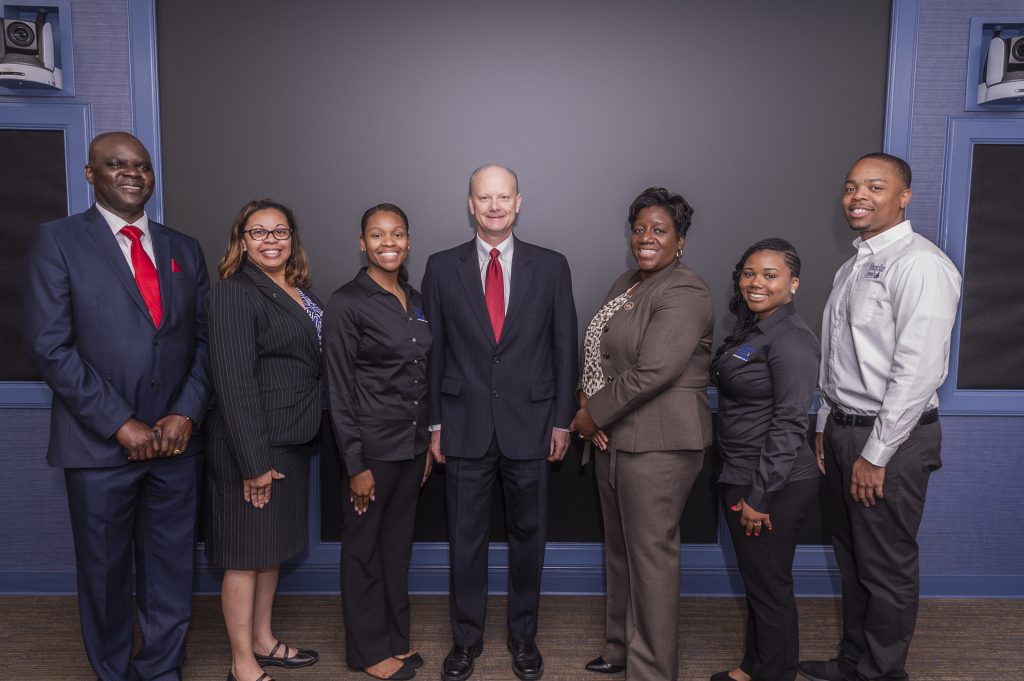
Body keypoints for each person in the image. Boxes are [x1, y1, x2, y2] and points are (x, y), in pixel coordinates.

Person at [21, 131, 211, 681]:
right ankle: (112, 672)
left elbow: (203, 341)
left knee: (171, 572)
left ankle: (161, 670)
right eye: (116, 165)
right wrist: (118, 423)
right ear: (90, 174)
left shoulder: (183, 248)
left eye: (142, 166)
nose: (132, 174)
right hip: (100, 447)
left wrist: (187, 412)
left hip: (175, 446)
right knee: (106, 577)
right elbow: (48, 346)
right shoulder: (56, 241)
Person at [798, 153, 962, 681]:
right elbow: (840, 356)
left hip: (890, 441)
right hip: (846, 432)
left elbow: (917, 374)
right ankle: (855, 663)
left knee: (885, 567)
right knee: (853, 561)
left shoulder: (922, 266)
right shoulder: (854, 265)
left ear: (904, 196)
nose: (858, 197)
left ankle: (883, 673)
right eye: (850, 187)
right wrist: (825, 423)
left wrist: (876, 452)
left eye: (874, 186)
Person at [422, 164, 578, 681]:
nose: (494, 206)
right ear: (470, 204)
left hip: (532, 426)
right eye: (484, 197)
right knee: (464, 542)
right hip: (463, 426)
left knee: (528, 540)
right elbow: (435, 351)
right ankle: (465, 643)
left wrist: (561, 422)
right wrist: (436, 424)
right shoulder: (441, 267)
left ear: (518, 202)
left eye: (503, 197)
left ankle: (523, 639)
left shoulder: (551, 266)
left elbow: (563, 348)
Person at [572, 186, 714, 681]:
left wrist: (593, 417)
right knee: (620, 551)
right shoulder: (626, 283)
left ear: (679, 239)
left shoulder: (685, 290)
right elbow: (601, 355)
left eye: (659, 230)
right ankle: (619, 650)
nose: (646, 238)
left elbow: (655, 371)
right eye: (639, 229)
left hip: (660, 444)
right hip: (614, 438)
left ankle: (651, 670)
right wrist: (587, 403)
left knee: (650, 557)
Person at [204, 198, 323, 681]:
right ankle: (242, 663)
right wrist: (253, 462)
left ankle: (263, 639)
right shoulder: (234, 293)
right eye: (258, 232)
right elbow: (233, 382)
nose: (271, 240)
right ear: (241, 240)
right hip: (252, 446)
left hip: (290, 440)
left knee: (270, 551)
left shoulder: (295, 289)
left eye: (280, 231)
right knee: (244, 556)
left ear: (292, 238)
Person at [325, 203, 433, 681]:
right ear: (362, 242)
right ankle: (368, 652)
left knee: (396, 548)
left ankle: (395, 638)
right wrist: (355, 464)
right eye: (377, 234)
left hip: (411, 450)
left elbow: (422, 376)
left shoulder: (416, 297)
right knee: (363, 550)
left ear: (408, 240)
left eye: (397, 234)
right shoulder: (347, 301)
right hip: (369, 451)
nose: (388, 242)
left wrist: (426, 442)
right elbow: (339, 389)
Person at [710, 239, 820, 681]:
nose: (757, 283)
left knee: (770, 587)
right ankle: (755, 666)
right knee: (760, 583)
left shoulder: (792, 340)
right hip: (743, 471)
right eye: (749, 273)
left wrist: (760, 496)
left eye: (770, 275)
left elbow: (790, 422)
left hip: (773, 482)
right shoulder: (759, 330)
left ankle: (775, 672)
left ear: (792, 284)